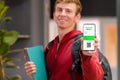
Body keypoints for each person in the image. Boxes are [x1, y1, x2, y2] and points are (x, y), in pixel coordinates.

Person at [24, 0, 104, 80]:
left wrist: (87, 57)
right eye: (59, 10)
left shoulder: (82, 44)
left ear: (77, 17)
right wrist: (33, 73)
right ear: (54, 14)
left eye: (68, 11)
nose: (62, 14)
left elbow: (95, 78)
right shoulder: (50, 47)